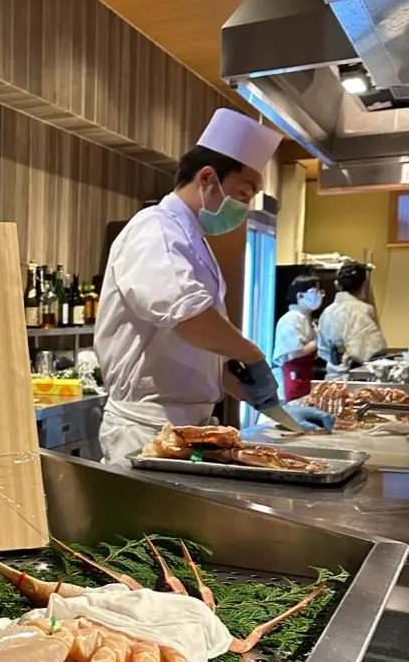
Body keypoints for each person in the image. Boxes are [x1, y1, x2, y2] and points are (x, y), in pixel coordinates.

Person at [95, 108, 333, 464]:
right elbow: (189, 318)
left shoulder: (193, 241)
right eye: (244, 193)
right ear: (207, 177)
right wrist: (251, 354)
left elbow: (200, 358)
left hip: (190, 426)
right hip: (147, 428)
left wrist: (269, 405)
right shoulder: (155, 229)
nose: (246, 207)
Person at [317, 261, 387, 379]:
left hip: (332, 377)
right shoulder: (364, 309)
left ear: (337, 285)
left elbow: (323, 350)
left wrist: (341, 351)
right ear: (364, 285)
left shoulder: (327, 312)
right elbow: (374, 350)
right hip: (358, 378)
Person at [272, 275, 323, 400]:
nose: (319, 296)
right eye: (314, 292)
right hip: (291, 376)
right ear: (300, 296)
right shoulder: (290, 319)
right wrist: (318, 342)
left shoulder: (307, 319)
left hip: (304, 374)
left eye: (320, 292)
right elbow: (292, 353)